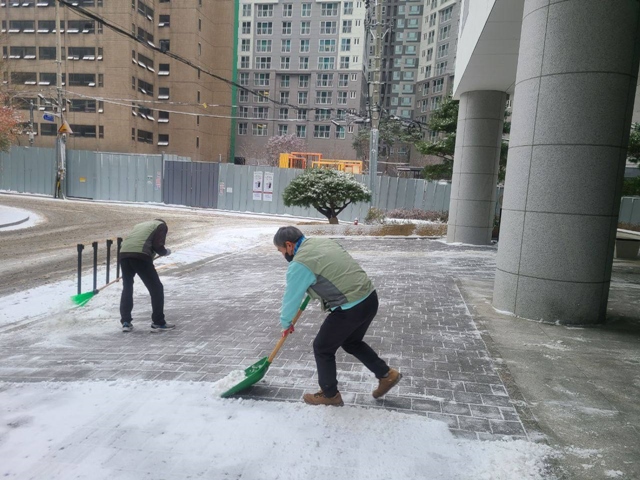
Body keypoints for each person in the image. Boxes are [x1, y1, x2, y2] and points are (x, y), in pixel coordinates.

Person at [274, 226, 401, 406]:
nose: (283, 256)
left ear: (288, 245)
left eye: (281, 251)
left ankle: (330, 395)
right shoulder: (324, 242)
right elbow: (334, 269)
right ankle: (387, 375)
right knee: (351, 342)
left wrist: (286, 323)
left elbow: (291, 298)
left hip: (351, 306)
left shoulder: (299, 264)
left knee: (322, 347)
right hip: (369, 297)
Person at [119, 219, 173, 333]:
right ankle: (158, 322)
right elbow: (158, 246)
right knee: (156, 288)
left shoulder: (139, 224)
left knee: (127, 287)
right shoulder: (161, 226)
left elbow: (140, 241)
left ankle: (126, 322)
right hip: (140, 256)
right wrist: (166, 252)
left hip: (124, 254)